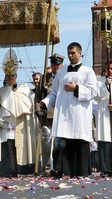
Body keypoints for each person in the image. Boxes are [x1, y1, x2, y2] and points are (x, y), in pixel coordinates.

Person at [39, 42, 97, 178]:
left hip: (79, 113)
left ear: (80, 54)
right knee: (61, 141)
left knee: (79, 141)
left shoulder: (88, 72)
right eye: (69, 53)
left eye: (73, 53)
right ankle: (59, 169)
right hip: (63, 114)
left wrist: (76, 88)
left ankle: (81, 171)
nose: (70, 56)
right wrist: (45, 102)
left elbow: (93, 92)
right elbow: (53, 92)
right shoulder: (61, 73)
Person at [0, 53, 37, 177]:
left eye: (12, 75)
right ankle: (8, 169)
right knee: (7, 146)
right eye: (7, 75)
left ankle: (21, 168)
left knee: (19, 147)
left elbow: (27, 104)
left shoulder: (23, 89)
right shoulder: (2, 90)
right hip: (6, 124)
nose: (9, 77)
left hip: (19, 123)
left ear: (16, 75)